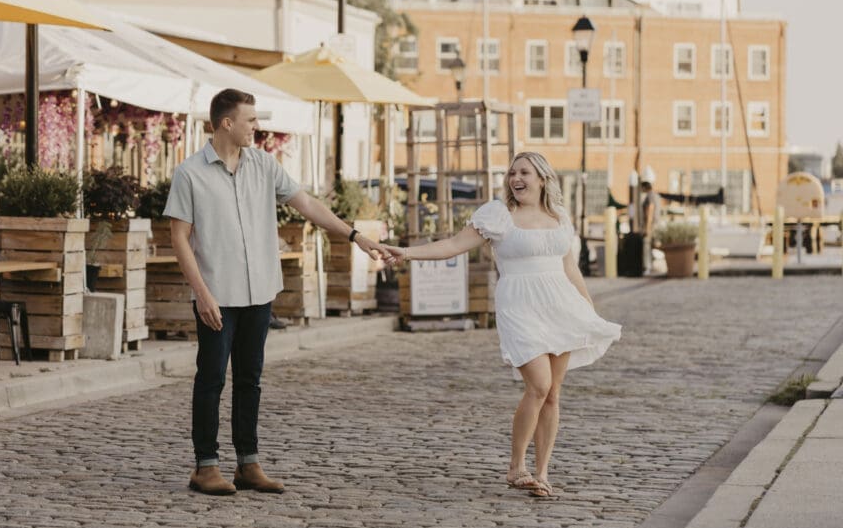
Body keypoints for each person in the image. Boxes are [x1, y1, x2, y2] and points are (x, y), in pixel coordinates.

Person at [164, 88, 383, 496]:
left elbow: (309, 206)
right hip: (217, 296)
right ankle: (205, 466)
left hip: (259, 292)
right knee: (211, 379)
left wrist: (354, 235)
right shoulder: (190, 173)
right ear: (227, 123)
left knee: (251, 379)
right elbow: (180, 238)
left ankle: (248, 463)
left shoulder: (265, 165)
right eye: (250, 120)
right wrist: (203, 294)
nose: (257, 127)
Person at [379, 152, 621, 498]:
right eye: (512, 173)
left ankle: (542, 473)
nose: (515, 178)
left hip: (561, 306)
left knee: (553, 392)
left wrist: (588, 307)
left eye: (524, 172)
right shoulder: (499, 216)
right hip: (519, 306)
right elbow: (453, 245)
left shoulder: (559, 216)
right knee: (538, 385)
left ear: (542, 178)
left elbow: (570, 268)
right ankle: (516, 465)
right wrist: (406, 253)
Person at [640, 180, 661, 274]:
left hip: (651, 225)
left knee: (646, 245)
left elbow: (650, 212)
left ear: (644, 187)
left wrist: (647, 228)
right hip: (657, 224)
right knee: (654, 245)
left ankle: (647, 267)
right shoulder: (656, 196)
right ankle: (651, 265)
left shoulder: (650, 196)